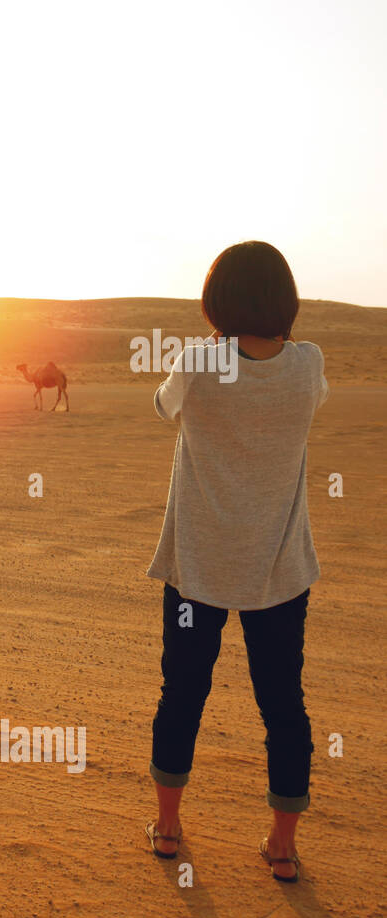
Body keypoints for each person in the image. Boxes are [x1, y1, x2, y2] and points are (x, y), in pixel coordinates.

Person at [144, 240, 330, 883]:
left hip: (198, 574)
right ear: (285, 298)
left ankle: (168, 830)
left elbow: (164, 407)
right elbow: (312, 401)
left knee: (183, 693)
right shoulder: (308, 365)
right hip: (279, 574)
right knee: (283, 702)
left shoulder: (198, 362)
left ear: (218, 297)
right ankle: (282, 846)